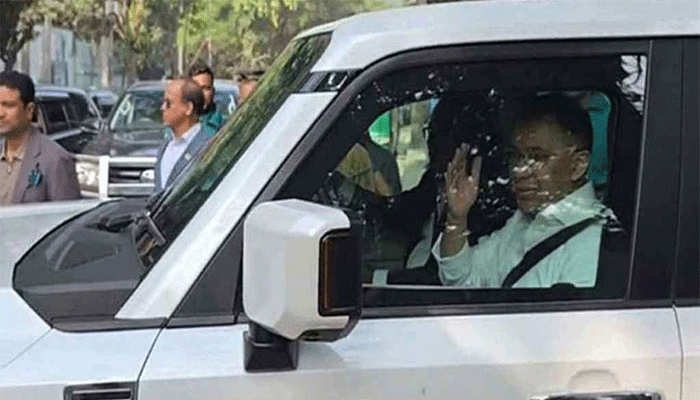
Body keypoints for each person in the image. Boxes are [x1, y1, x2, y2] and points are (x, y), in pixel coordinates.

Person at [433, 94, 608, 288]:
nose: (519, 170)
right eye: (516, 156)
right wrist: (457, 218)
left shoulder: (593, 244)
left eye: (537, 158)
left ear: (577, 165)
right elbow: (462, 279)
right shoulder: (523, 221)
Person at [0, 71, 80, 205]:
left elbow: (67, 215)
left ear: (29, 110)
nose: (0, 113)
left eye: (8, 105)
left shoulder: (56, 160)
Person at [154, 77, 209, 191]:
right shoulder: (165, 147)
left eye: (168, 103)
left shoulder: (206, 148)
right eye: (163, 102)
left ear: (188, 108)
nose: (163, 108)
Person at [188, 62, 225, 137]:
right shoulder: (177, 124)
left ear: (213, 91)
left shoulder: (225, 126)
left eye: (206, 88)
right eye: (197, 88)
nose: (201, 93)